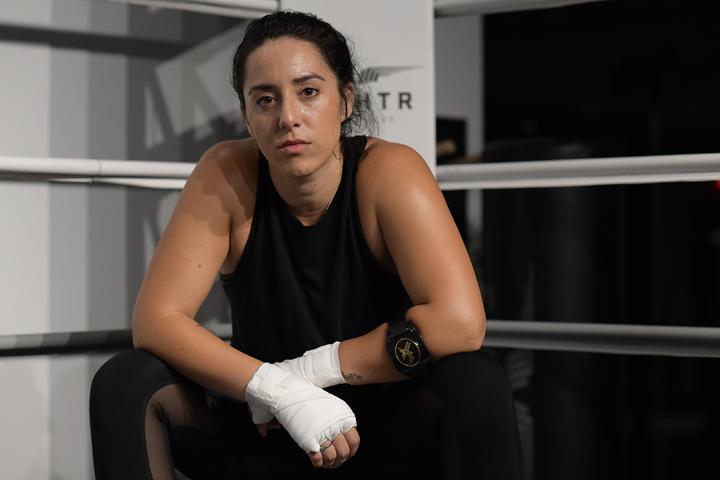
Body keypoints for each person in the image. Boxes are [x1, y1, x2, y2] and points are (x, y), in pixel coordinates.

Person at [89, 10, 523, 480]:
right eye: (265, 100)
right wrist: (277, 394)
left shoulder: (388, 172)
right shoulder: (227, 173)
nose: (288, 118)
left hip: (378, 431)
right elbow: (156, 320)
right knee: (126, 381)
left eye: (309, 92)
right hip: (261, 430)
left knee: (476, 379)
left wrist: (305, 375)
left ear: (346, 100)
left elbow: (461, 321)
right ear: (247, 116)